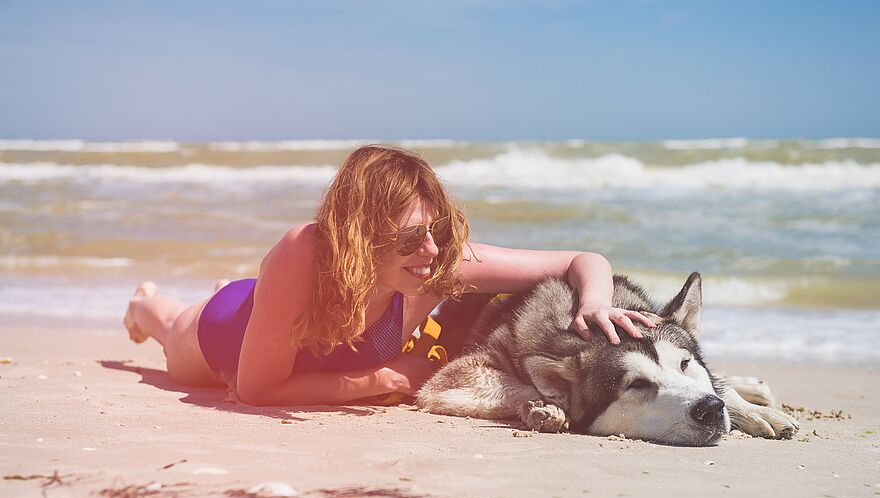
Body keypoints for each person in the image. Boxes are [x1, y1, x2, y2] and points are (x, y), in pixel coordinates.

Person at [123, 145, 655, 406]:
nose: (429, 250)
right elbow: (258, 390)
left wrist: (594, 304)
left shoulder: (438, 263)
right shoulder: (301, 253)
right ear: (360, 235)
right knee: (170, 332)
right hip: (223, 335)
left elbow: (581, 261)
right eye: (407, 238)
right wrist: (390, 377)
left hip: (271, 314)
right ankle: (142, 303)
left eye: (437, 230)